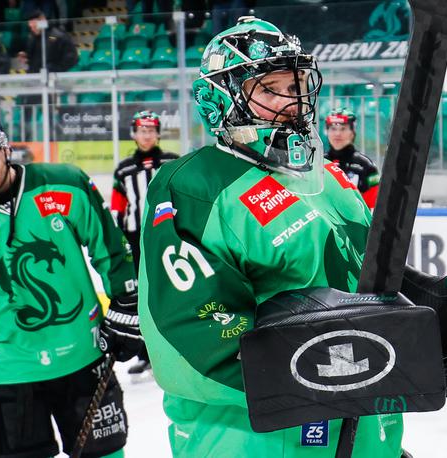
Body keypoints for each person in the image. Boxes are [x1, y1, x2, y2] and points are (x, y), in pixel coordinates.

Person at [137, 16, 404, 457]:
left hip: (360, 425)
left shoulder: (330, 176)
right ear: (220, 100)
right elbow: (193, 331)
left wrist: (420, 328)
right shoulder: (195, 185)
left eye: (296, 85)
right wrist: (331, 374)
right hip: (251, 438)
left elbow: (368, 282)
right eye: (268, 89)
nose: (290, 102)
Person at [0, 106, 144, 457]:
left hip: (84, 358)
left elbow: (111, 248)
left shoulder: (66, 184)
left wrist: (127, 302)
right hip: (11, 376)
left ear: (3, 147)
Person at [110, 110, 177, 381]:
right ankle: (146, 352)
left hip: (167, 235)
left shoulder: (172, 162)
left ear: (158, 133)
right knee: (145, 297)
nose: (146, 135)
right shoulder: (124, 169)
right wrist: (119, 239)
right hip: (136, 240)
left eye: (151, 130)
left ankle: (175, 348)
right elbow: (118, 207)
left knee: (172, 291)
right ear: (134, 134)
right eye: (142, 130)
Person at [325, 107, 380, 209]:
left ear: (352, 132)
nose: (337, 134)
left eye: (343, 128)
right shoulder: (318, 163)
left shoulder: (366, 165)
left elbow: (374, 206)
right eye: (333, 128)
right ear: (326, 131)